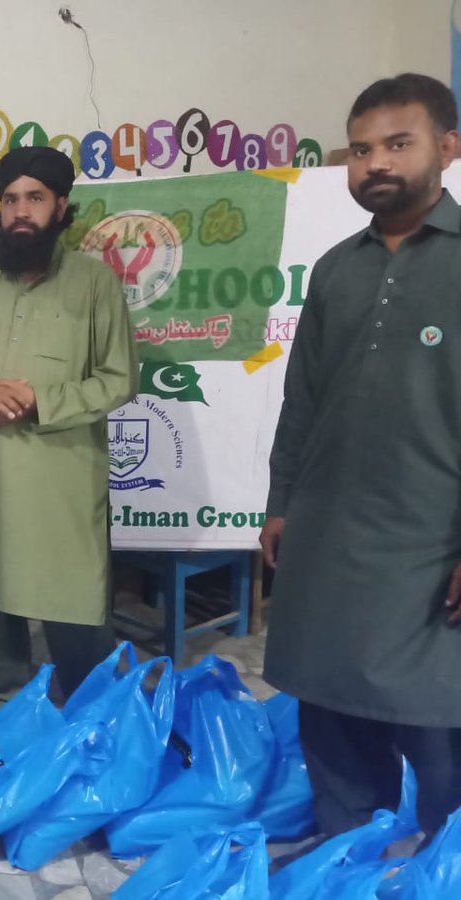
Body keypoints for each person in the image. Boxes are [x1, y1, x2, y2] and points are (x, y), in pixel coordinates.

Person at [261, 73, 461, 840]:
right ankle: (349, 856)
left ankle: (443, 868)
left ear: (446, 148)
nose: (375, 163)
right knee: (331, 708)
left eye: (397, 144)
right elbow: (301, 399)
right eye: (361, 149)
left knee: (437, 724)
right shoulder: (336, 269)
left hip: (430, 540)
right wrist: (280, 503)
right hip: (329, 531)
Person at [0, 145, 137, 712]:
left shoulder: (96, 285)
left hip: (61, 487)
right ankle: (6, 750)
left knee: (78, 627)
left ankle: (100, 742)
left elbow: (118, 380)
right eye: (10, 199)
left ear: (61, 207)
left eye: (35, 199)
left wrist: (40, 399)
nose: (20, 212)